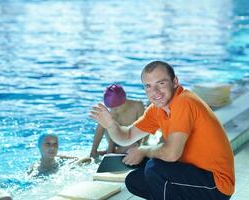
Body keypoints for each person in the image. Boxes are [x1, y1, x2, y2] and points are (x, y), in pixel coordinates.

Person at [90, 61, 234, 199]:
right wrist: (111, 125)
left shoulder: (184, 102)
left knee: (155, 168)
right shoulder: (157, 109)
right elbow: (127, 136)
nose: (155, 91)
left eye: (161, 83)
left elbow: (171, 154)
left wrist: (144, 150)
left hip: (217, 184)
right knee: (135, 180)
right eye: (148, 86)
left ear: (175, 82)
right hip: (194, 175)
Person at [90, 84, 145, 158]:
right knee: (103, 121)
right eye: (111, 108)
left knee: (134, 146)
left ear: (124, 101)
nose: (113, 110)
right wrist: (109, 150)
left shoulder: (138, 106)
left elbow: (144, 128)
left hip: (131, 141)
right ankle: (94, 152)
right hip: (115, 139)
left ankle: (111, 153)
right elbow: (113, 131)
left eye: (115, 108)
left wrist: (141, 148)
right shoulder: (113, 112)